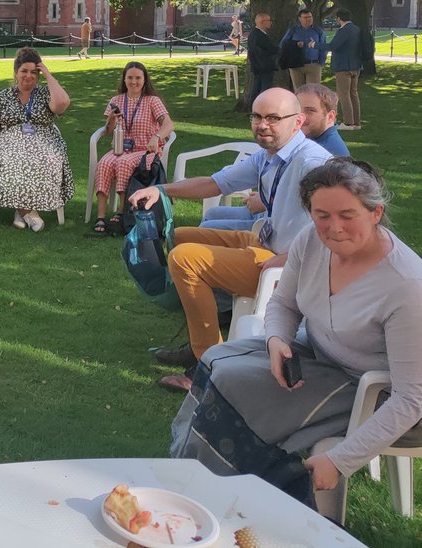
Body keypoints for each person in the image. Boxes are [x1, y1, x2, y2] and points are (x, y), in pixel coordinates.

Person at [171, 159, 422, 516]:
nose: (333, 228)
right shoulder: (311, 241)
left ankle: (220, 497)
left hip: (370, 390)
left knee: (241, 394)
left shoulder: (407, 286)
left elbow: (411, 399)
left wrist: (339, 460)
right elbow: (283, 304)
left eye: (347, 215)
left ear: (376, 212)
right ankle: (190, 475)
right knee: (217, 362)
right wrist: (277, 341)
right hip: (313, 353)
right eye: (322, 215)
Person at [130, 88, 331, 391]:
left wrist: (291, 259)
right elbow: (213, 183)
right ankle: (206, 330)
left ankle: (207, 363)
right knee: (181, 237)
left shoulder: (312, 163)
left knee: (184, 260)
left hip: (287, 268)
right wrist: (160, 190)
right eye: (257, 116)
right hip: (265, 244)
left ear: (297, 121)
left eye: (274, 118)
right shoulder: (269, 156)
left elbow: (335, 223)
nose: (263, 125)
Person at [201, 84, 349, 232]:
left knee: (205, 230)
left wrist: (266, 201)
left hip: (282, 229)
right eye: (297, 109)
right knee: (212, 213)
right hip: (270, 214)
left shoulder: (326, 156)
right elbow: (220, 183)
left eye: (310, 111)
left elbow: (314, 210)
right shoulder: (285, 144)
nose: (301, 116)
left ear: (330, 117)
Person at [0, 48, 74, 232]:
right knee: (12, 158)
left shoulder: (45, 93)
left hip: (44, 142)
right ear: (16, 72)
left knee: (44, 159)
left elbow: (62, 105)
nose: (29, 76)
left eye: (34, 72)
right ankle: (29, 213)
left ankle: (21, 211)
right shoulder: (3, 96)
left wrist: (48, 75)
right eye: (24, 71)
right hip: (9, 143)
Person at [91, 62, 173, 234]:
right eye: (130, 77)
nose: (133, 81)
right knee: (104, 164)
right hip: (121, 148)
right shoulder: (116, 100)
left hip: (145, 151)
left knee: (124, 163)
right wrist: (112, 119)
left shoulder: (152, 101)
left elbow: (168, 124)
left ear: (144, 80)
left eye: (138, 78)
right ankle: (100, 216)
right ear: (124, 79)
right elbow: (108, 130)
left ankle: (121, 212)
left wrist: (157, 137)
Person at [328, 9, 362, 130]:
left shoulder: (343, 31)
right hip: (355, 66)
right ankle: (356, 122)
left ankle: (348, 122)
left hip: (343, 66)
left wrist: (314, 45)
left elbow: (333, 46)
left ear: (339, 18)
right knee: (354, 93)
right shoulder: (356, 29)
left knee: (344, 94)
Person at [280, 8, 327, 89]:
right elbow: (283, 44)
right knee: (299, 91)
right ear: (300, 19)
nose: (308, 19)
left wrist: (321, 62)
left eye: (310, 17)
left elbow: (323, 47)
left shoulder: (318, 31)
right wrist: (296, 44)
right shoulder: (293, 30)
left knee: (313, 91)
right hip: (296, 65)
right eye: (305, 17)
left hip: (313, 64)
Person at [246, 12, 279, 100]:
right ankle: (260, 107)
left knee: (256, 89)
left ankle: (253, 108)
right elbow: (270, 49)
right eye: (269, 20)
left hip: (258, 66)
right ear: (262, 22)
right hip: (264, 66)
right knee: (265, 89)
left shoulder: (253, 34)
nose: (270, 22)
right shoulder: (260, 35)